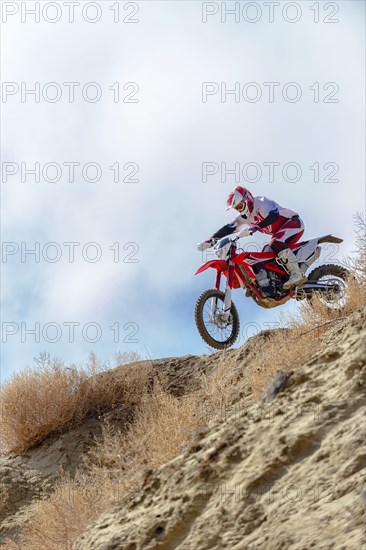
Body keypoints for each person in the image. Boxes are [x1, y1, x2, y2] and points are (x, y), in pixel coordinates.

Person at [197, 185, 307, 289]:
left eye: (240, 206)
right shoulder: (243, 218)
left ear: (247, 199)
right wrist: (210, 241)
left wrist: (256, 227)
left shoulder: (262, 202)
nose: (240, 210)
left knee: (275, 242)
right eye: (237, 208)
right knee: (265, 255)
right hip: (279, 233)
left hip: (293, 223)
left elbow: (274, 215)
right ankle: (278, 283)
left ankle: (296, 273)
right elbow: (228, 228)